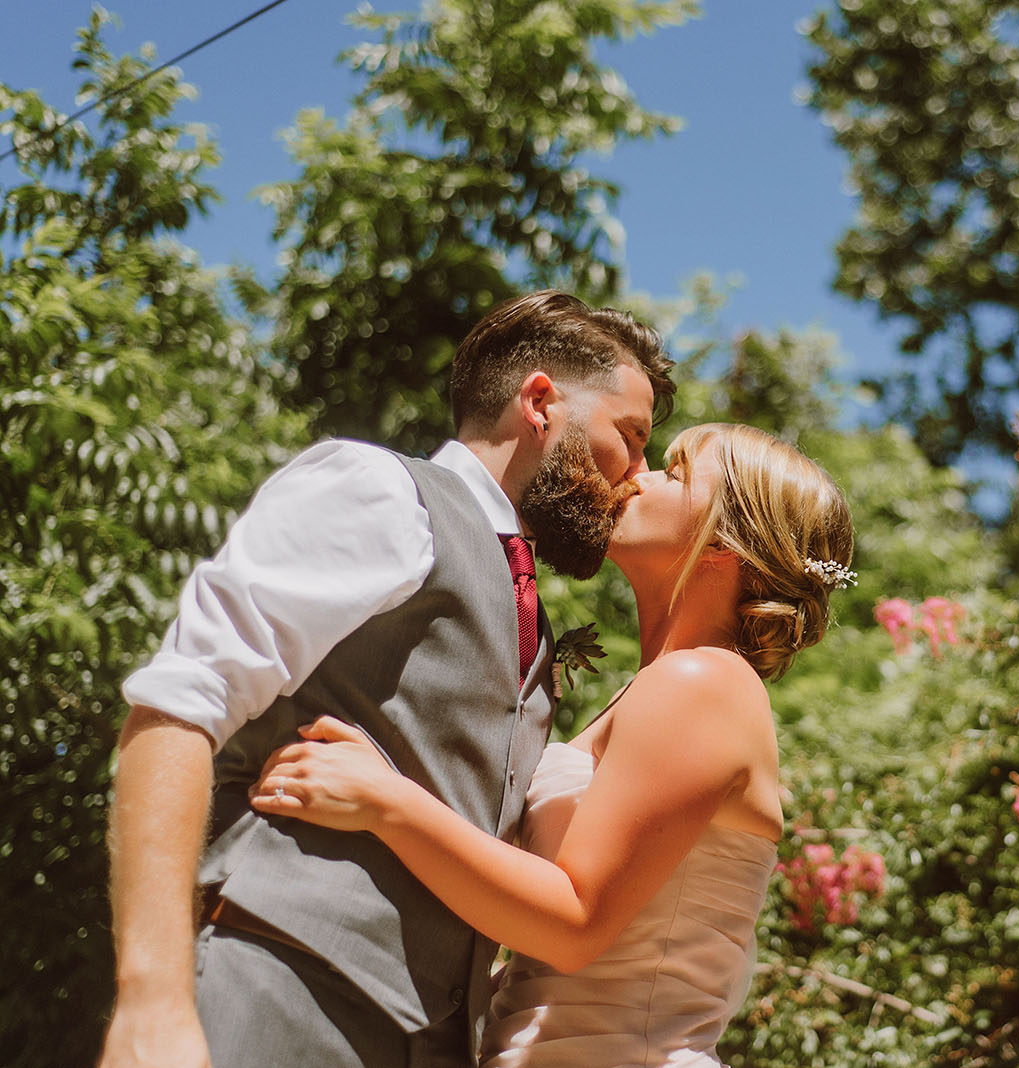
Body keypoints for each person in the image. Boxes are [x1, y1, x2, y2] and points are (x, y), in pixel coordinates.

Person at [98, 291, 676, 1068]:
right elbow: (179, 703)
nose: (636, 475)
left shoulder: (525, 605)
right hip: (274, 989)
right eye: (630, 437)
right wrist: (153, 999)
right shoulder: (378, 489)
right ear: (540, 403)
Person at [247, 422, 855, 1068]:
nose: (636, 476)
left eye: (672, 474)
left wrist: (384, 800)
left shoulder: (702, 681)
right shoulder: (661, 687)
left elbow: (575, 924)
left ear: (726, 545)